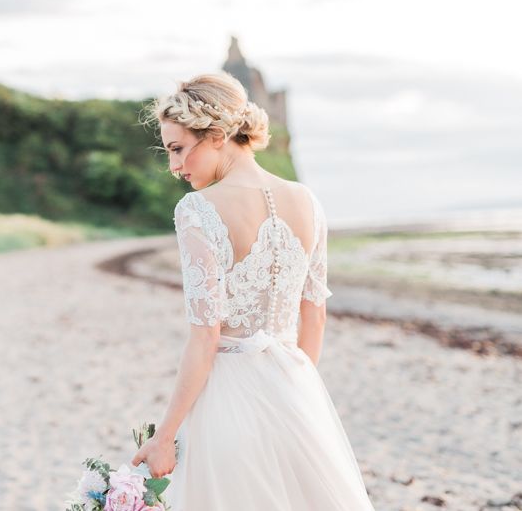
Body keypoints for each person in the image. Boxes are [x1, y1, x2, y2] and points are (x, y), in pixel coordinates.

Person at [131, 72, 376, 510]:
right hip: (297, 389)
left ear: (218, 135)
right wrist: (297, 394)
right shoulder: (308, 202)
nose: (174, 167)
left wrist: (164, 437)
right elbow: (314, 317)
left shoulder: (197, 210)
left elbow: (205, 337)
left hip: (227, 399)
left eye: (178, 148)